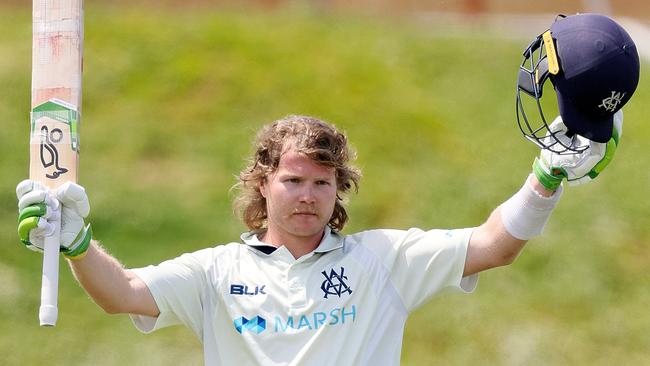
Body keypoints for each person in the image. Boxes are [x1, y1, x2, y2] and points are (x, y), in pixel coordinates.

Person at [16, 13, 638, 366]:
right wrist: (75, 242)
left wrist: (546, 178)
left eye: (322, 182)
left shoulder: (383, 262)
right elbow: (120, 295)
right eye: (292, 181)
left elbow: (496, 244)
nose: (307, 195)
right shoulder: (214, 272)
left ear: (340, 187)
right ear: (263, 182)